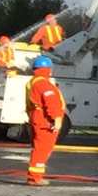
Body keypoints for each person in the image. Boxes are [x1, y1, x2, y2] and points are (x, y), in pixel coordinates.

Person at [25, 55, 67, 187]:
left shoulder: (34, 81)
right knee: (42, 148)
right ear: (47, 68)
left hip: (38, 118)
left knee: (40, 148)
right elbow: (51, 101)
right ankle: (35, 178)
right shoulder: (43, 83)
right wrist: (57, 118)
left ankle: (35, 176)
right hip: (45, 120)